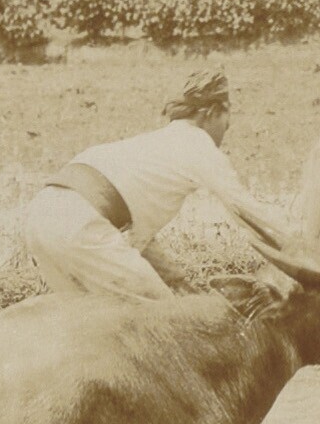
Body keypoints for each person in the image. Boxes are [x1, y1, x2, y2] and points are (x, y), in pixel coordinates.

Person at [24, 70, 292, 300]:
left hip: (41, 220)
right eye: (226, 122)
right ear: (212, 112)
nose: (224, 132)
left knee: (93, 323)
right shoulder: (197, 144)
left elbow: (132, 232)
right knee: (167, 320)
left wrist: (177, 280)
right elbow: (247, 212)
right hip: (82, 227)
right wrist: (300, 248)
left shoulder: (150, 146)